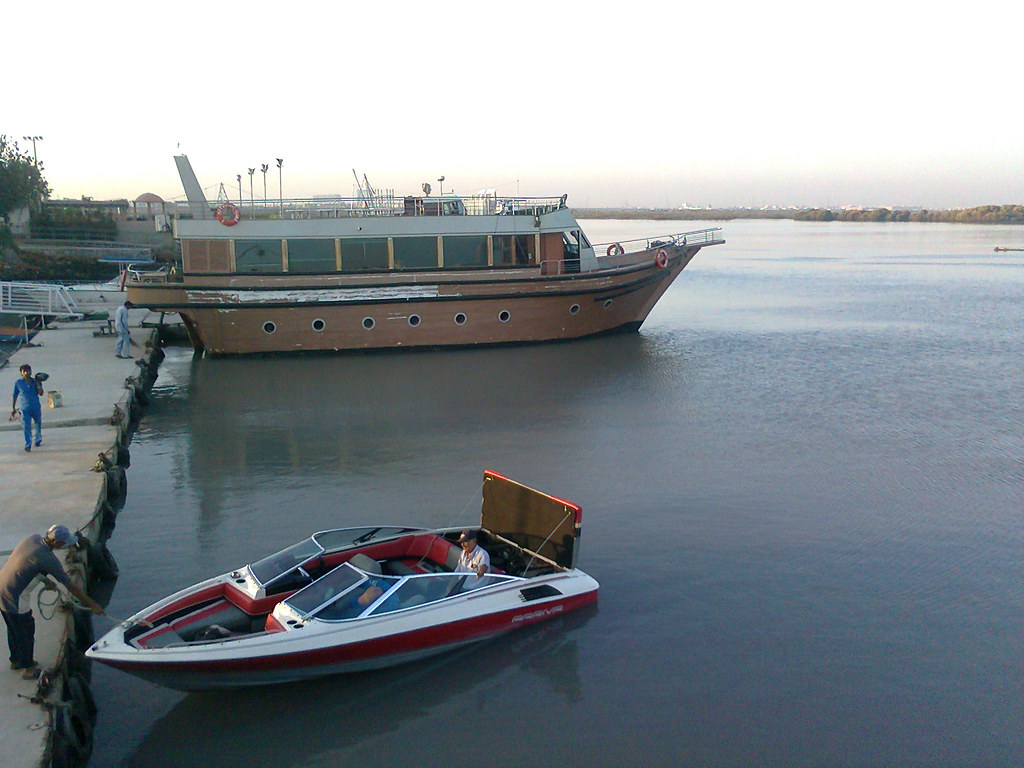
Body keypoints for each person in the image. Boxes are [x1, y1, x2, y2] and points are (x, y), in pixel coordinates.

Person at [1, 525, 104, 680]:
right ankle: (27, 668)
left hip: (2, 588)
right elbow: (71, 586)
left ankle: (15, 660)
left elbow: (26, 564)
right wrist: (92, 604)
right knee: (25, 631)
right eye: (63, 543)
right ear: (55, 542)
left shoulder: (33, 539)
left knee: (13, 627)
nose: (65, 545)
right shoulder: (48, 559)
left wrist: (45, 579)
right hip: (14, 597)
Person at [11, 364, 43, 452]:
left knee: (38, 423)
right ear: (21, 373)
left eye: (28, 371)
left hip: (35, 406)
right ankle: (28, 443)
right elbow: (15, 395)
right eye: (24, 371)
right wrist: (13, 408)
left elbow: (41, 393)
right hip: (25, 408)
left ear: (31, 372)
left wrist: (38, 384)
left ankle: (38, 439)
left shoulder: (35, 381)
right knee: (26, 426)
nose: (26, 373)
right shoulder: (18, 383)